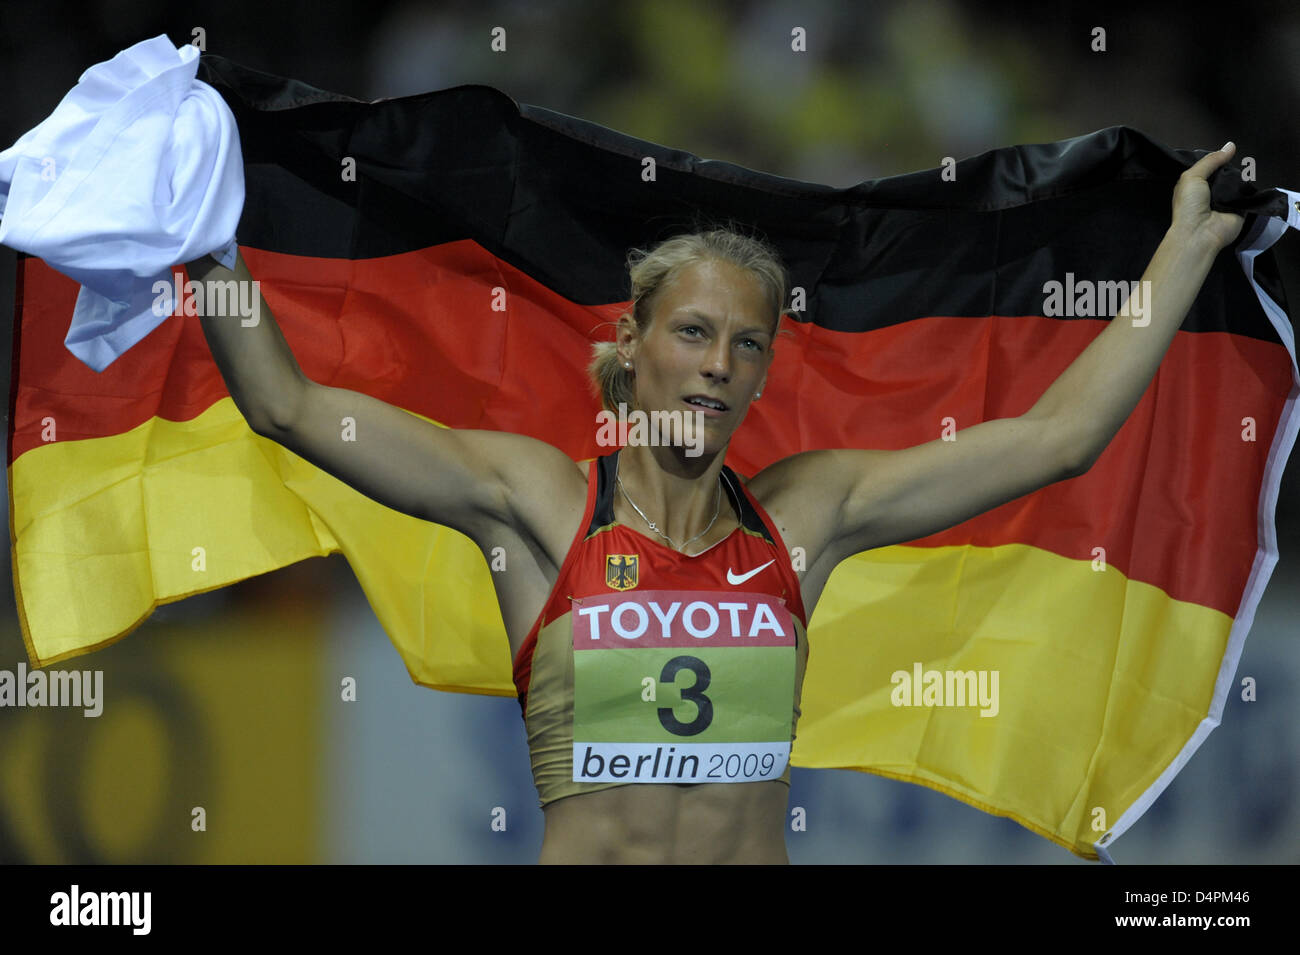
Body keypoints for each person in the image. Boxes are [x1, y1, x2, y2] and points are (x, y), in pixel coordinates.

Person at [187, 143, 1243, 863]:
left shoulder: (806, 514)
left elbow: (1059, 439)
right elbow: (285, 405)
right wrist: (207, 246)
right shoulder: (539, 502)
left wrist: (1186, 247)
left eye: (746, 344)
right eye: (690, 333)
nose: (716, 365)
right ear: (632, 345)